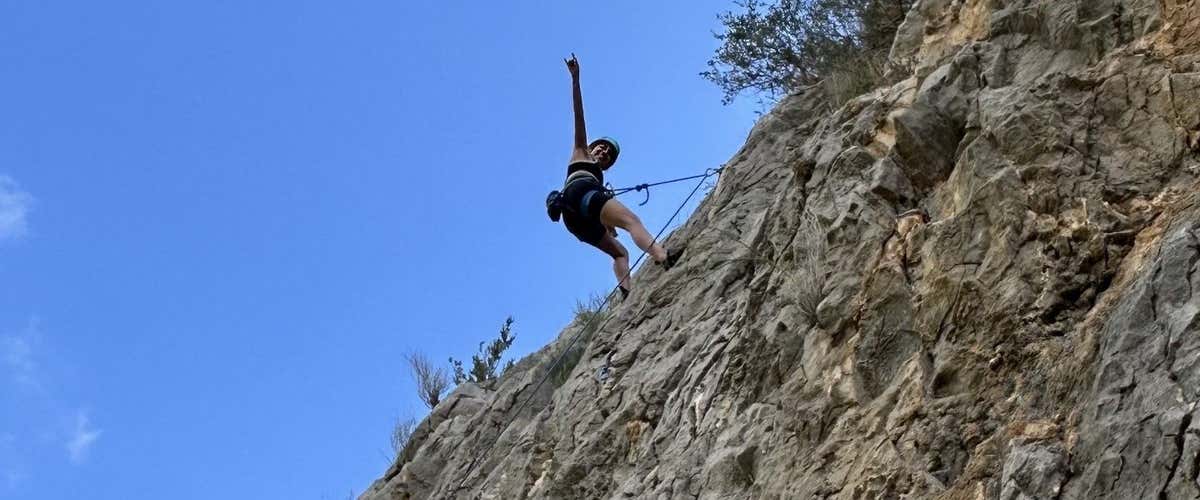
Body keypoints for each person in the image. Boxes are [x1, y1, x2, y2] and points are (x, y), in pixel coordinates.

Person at [553, 54, 680, 298]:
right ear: (591, 147)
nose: (603, 151)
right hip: (580, 193)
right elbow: (579, 116)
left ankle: (626, 294)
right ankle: (663, 256)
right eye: (601, 147)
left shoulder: (598, 182)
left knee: (620, 252)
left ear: (608, 164)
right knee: (632, 221)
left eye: (608, 153)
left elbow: (608, 228)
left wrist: (609, 228)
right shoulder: (581, 151)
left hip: (576, 218)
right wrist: (576, 79)